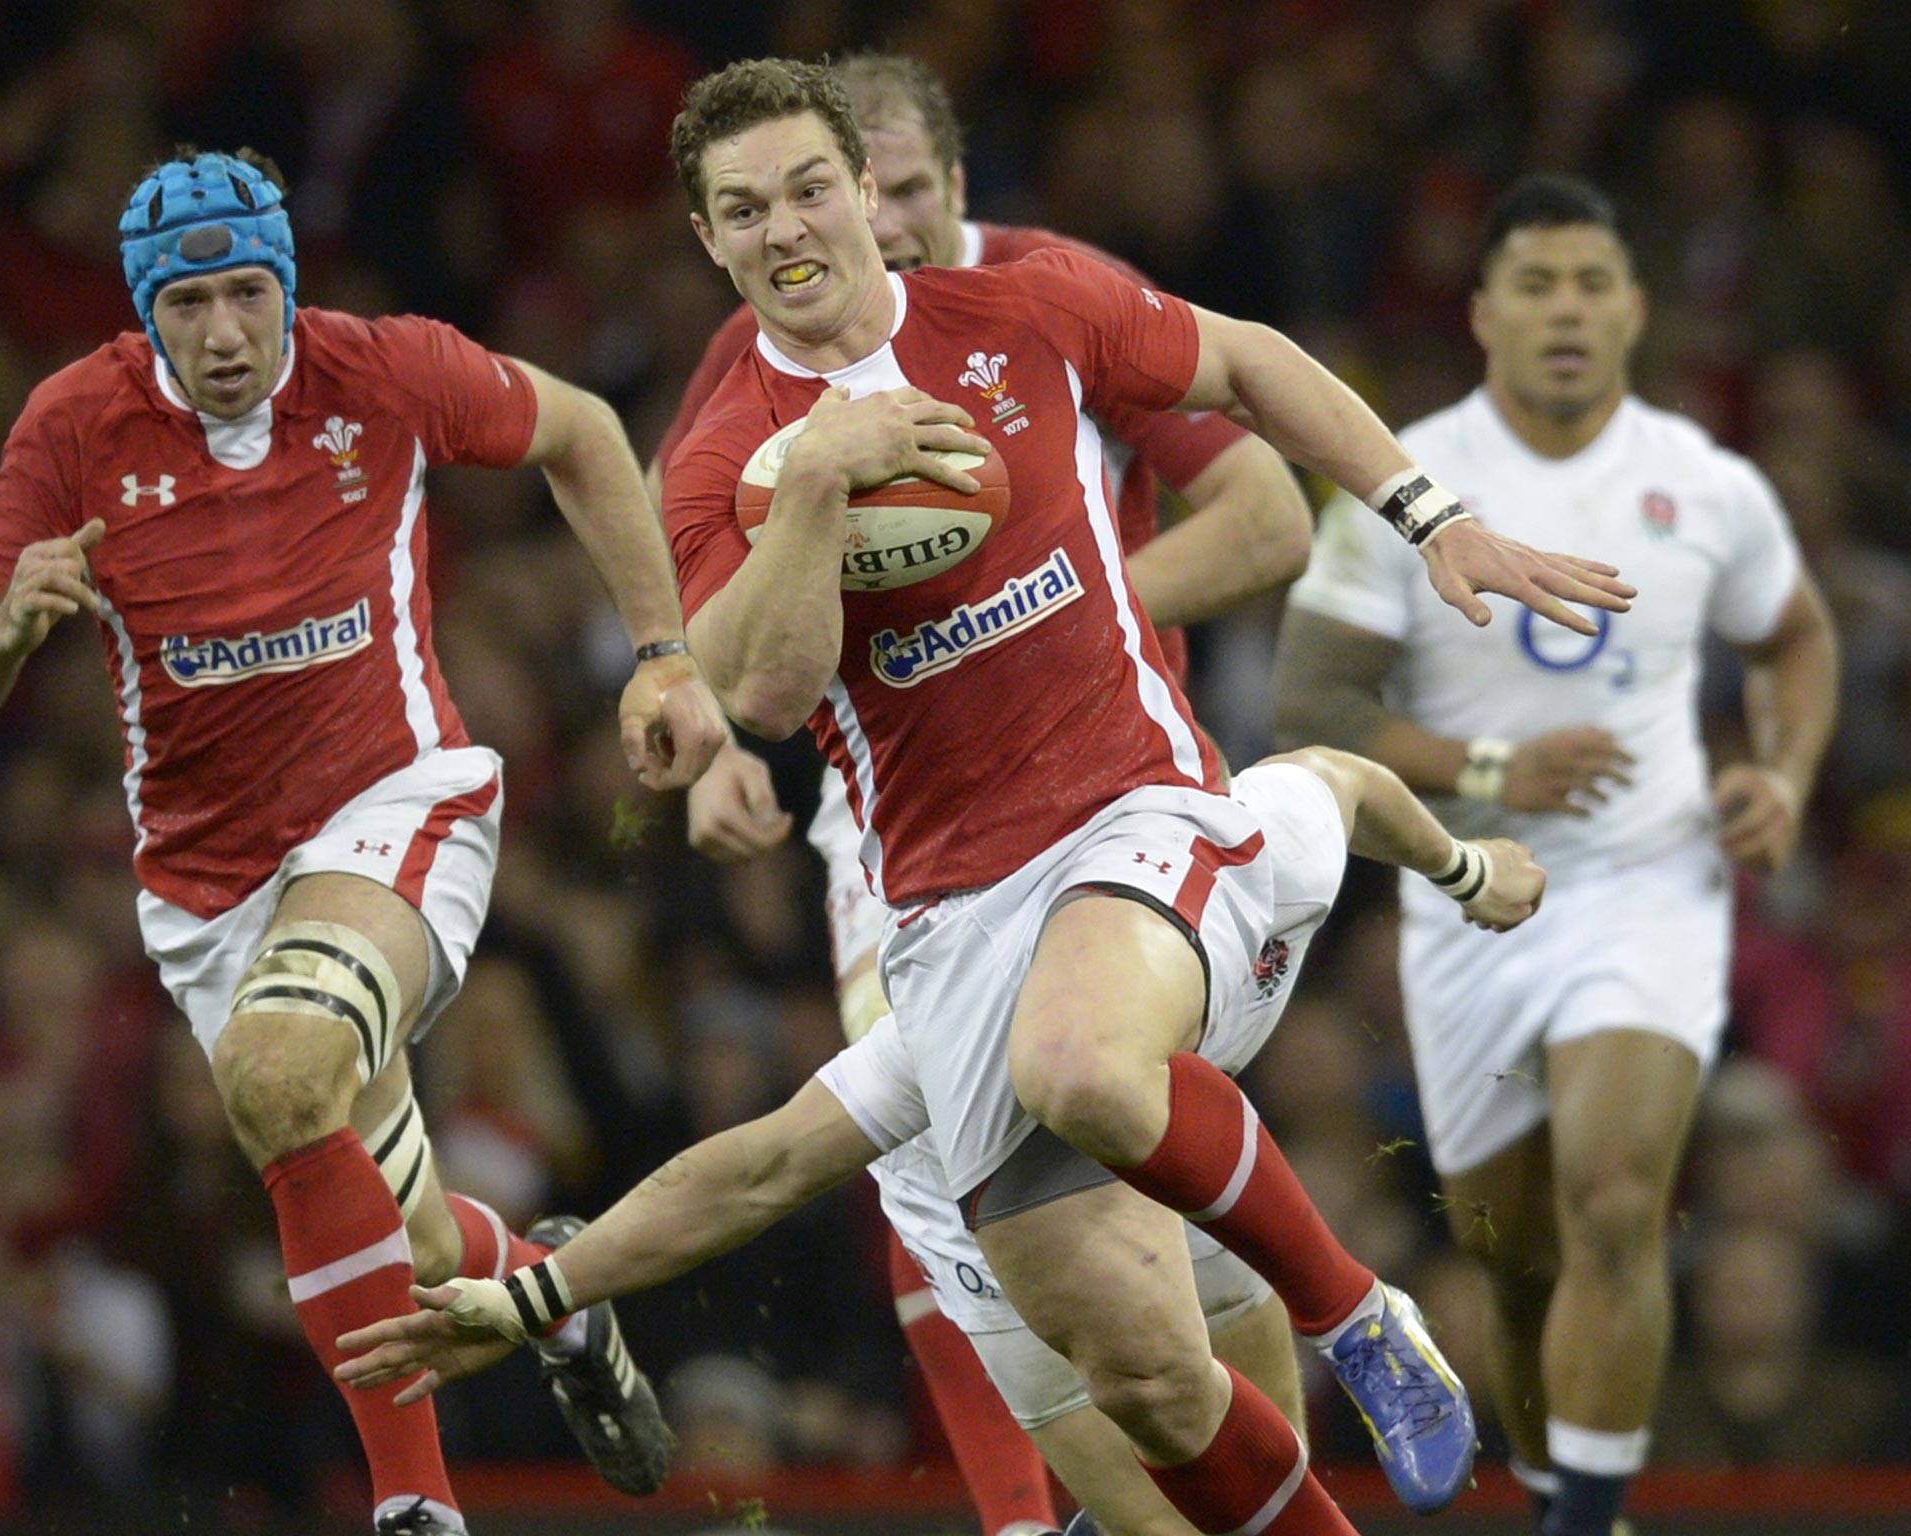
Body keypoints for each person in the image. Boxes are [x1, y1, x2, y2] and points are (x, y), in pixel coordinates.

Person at [357, 61, 1631, 1536]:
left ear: (867, 193)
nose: (788, 228)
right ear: (708, 241)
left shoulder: (1025, 307)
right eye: (742, 208)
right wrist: (824, 479)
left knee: (1086, 1067)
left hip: (1134, 817)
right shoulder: (715, 459)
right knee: (1147, 1383)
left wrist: (1433, 518)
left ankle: (1357, 1315)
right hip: (949, 920)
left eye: (811, 187)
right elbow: (761, 696)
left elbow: (1252, 363)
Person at [0, 146, 727, 1536]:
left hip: (396, 806)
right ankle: (552, 1295)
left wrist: (661, 653)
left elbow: (585, 430)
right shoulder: (74, 424)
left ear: (286, 282)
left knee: (281, 1069)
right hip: (211, 891)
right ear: (143, 312)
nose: (224, 335)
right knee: (398, 1237)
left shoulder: (384, 372)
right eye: (188, 307)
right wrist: (3, 626)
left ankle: (414, 1509)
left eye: (246, 294)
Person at [663, 52, 1314, 1536]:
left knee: (1144, 1175)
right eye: (789, 202)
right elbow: (707, 599)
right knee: (936, 1166)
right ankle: (1034, 1514)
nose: (860, 229)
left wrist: (1058, 604)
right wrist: (700, 738)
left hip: (1111, 781)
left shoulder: (1041, 292)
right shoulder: (748, 367)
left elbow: (1271, 516)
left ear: (952, 192)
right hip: (892, 818)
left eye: (888, 192)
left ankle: (1259, 1475)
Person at [334, 744, 1549, 1534]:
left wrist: (1460, 865)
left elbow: (1341, 781)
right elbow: (751, 1168)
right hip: (988, 1181)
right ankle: (1327, 1331)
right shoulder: (948, 1029)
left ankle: (1356, 1316)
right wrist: (538, 1294)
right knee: (1164, 1459)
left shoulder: (1237, 841)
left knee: (1110, 1099)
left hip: (1178, 1136)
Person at [1272, 173, 1838, 1536]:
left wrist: (1782, 770)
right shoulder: (1399, 480)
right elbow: (1312, 710)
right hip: (1469, 898)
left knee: (1614, 1194)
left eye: (1593, 282)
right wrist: (1489, 775)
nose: (1567, 309)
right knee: (1513, 1261)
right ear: (1482, 312)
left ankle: (1586, 1519)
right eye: (1536, 284)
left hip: (1652, 882)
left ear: (1637, 308)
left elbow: (1798, 640)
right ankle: (1551, 1488)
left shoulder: (1704, 485)